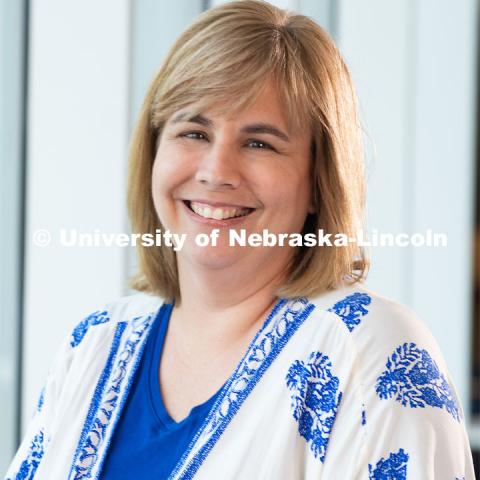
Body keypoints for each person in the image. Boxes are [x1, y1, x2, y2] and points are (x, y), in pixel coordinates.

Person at [5, 1, 475, 479]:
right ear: (153, 153)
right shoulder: (94, 344)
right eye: (193, 132)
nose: (216, 172)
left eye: (259, 143)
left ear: (318, 181)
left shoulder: (370, 351)